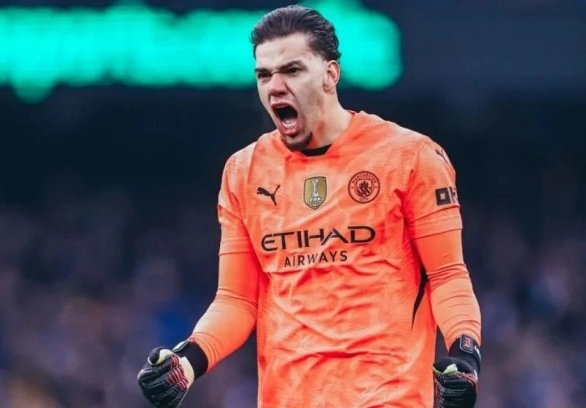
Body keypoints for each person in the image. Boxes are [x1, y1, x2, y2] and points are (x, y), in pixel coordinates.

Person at [137, 5, 481, 408]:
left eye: (292, 70)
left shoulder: (410, 157)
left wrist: (465, 356)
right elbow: (236, 300)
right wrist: (188, 360)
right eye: (264, 75)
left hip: (387, 397)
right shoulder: (244, 171)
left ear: (330, 74)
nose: (275, 87)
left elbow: (447, 275)